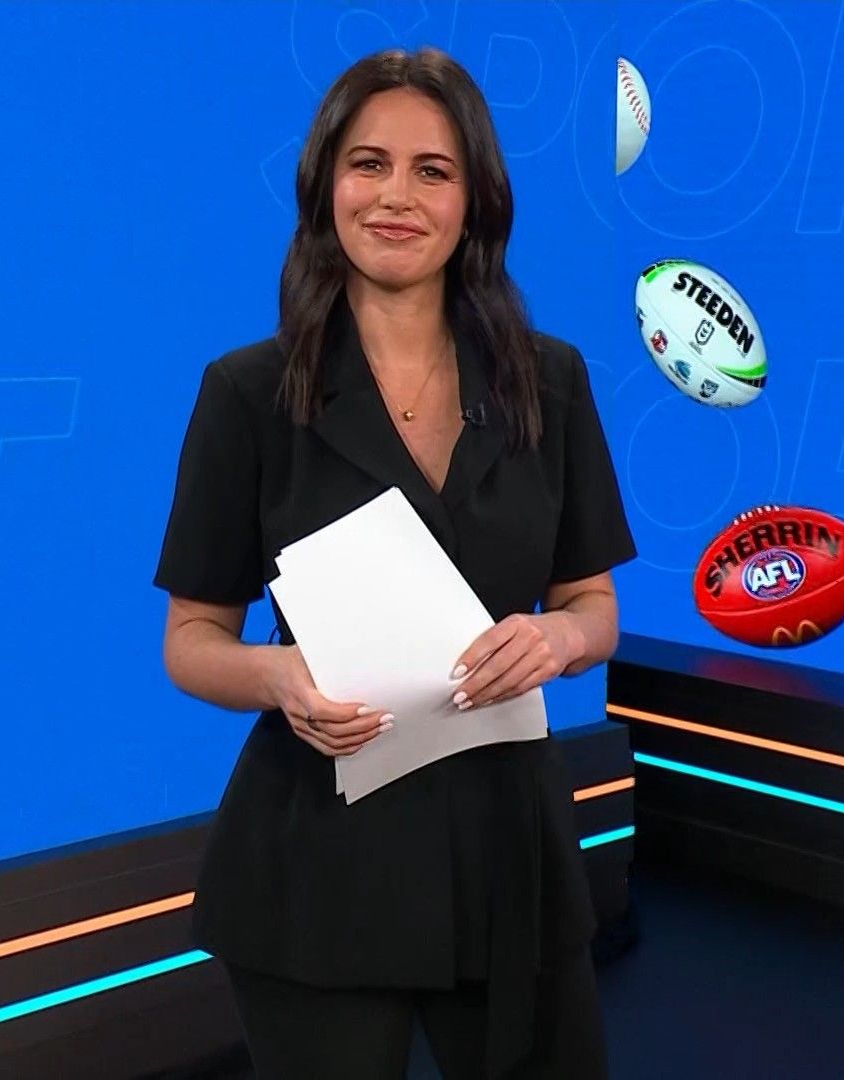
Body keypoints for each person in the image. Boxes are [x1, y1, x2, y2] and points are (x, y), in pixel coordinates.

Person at [153, 45, 635, 1080]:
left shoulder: (550, 382)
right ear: (326, 186)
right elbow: (190, 641)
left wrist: (556, 639)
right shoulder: (247, 394)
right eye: (368, 164)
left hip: (510, 852)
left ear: (475, 203)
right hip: (318, 862)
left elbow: (593, 606)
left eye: (433, 171)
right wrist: (277, 676)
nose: (396, 197)